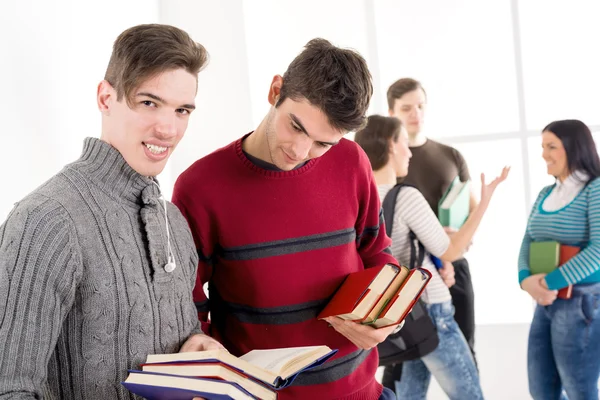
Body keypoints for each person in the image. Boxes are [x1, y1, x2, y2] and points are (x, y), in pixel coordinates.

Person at [0, 24, 221, 400]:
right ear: (106, 98)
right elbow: (10, 389)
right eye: (149, 103)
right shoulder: (47, 219)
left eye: (182, 110)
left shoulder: (174, 222)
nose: (168, 128)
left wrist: (197, 344)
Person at [172, 39, 400, 399]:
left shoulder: (352, 161)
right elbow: (188, 307)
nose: (299, 151)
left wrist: (384, 316)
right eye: (295, 126)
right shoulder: (200, 187)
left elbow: (377, 253)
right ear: (275, 91)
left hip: (365, 392)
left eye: (322, 144)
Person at [355, 115, 509, 399]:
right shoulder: (405, 196)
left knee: (409, 395)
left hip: (400, 314)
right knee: (470, 395)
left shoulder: (360, 198)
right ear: (390, 146)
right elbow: (451, 251)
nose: (409, 152)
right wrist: (484, 202)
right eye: (403, 142)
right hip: (432, 310)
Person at [387, 77, 479, 364]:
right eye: (406, 109)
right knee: (403, 361)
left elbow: (471, 206)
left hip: (455, 269)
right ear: (392, 113)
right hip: (410, 274)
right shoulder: (387, 161)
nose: (416, 114)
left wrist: (462, 240)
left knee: (465, 355)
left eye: (420, 106)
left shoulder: (450, 155)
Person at [518, 119, 600, 400]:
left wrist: (548, 282)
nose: (543, 154)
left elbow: (598, 251)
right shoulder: (546, 193)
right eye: (542, 146)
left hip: (581, 302)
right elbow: (528, 240)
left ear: (574, 148)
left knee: (580, 390)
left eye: (551, 146)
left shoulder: (595, 188)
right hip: (546, 299)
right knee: (541, 389)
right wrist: (525, 280)